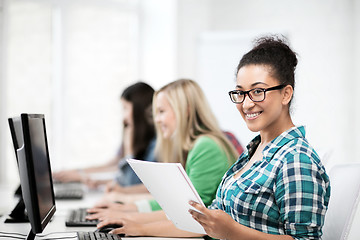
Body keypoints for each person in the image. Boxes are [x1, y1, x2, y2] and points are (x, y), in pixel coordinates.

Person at [188, 35, 331, 239]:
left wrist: (232, 232)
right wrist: (136, 226)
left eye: (257, 91)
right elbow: (211, 219)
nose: (246, 104)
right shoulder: (252, 152)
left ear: (286, 94)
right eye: (240, 93)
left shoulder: (297, 159)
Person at [88, 79, 239, 236]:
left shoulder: (207, 146)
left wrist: (134, 221)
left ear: (185, 110)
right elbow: (173, 205)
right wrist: (128, 209)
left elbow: (190, 215)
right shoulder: (193, 146)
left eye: (161, 111)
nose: (157, 119)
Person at [53, 82, 156, 189]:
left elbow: (130, 180)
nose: (123, 117)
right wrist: (79, 172)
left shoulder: (153, 145)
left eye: (125, 108)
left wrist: (82, 175)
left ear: (138, 110)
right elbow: (116, 164)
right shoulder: (132, 134)